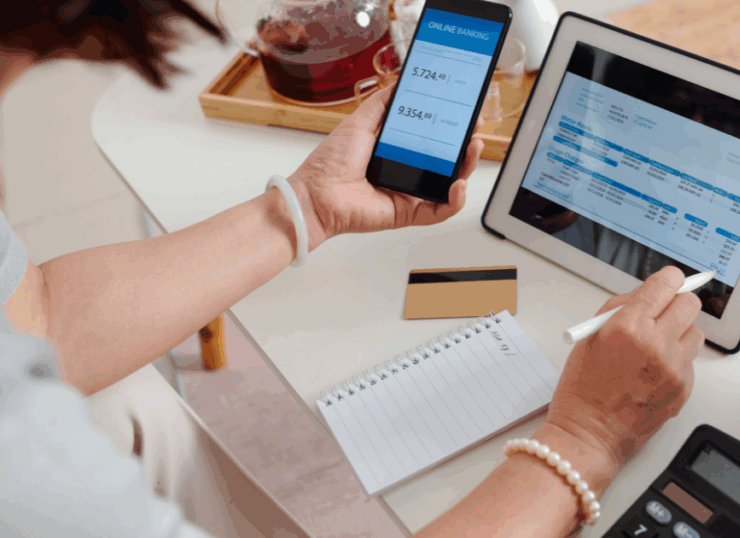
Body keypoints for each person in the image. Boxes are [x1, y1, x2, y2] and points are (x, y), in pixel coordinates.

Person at [0, 2, 704, 537]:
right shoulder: (27, 466)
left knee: (134, 406)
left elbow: (39, 316)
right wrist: (585, 438)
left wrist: (306, 208)